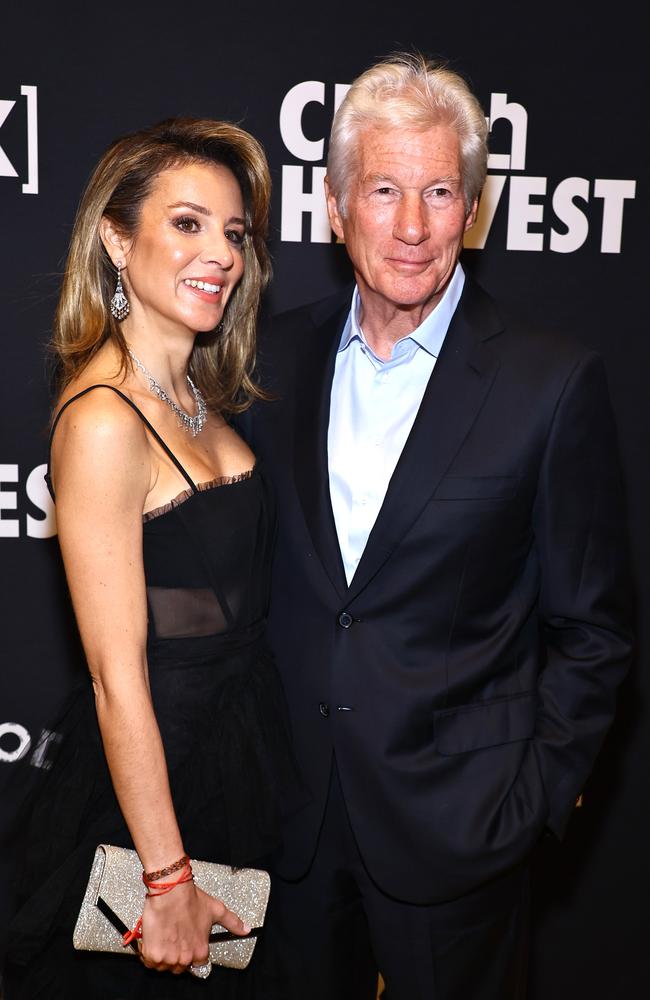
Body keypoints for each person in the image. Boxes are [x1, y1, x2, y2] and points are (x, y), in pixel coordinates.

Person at [243, 53, 634, 999]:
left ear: (473, 209)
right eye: (382, 190)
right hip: (288, 823)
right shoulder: (268, 358)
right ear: (335, 208)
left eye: (438, 191)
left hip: (461, 832)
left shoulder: (551, 381)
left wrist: (532, 799)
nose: (412, 227)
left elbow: (594, 628)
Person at [3, 117, 298, 999]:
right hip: (155, 794)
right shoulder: (100, 420)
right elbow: (113, 677)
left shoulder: (200, 391)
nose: (221, 253)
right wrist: (165, 880)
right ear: (115, 239)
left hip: (241, 761)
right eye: (187, 223)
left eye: (234, 232)